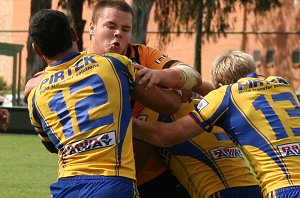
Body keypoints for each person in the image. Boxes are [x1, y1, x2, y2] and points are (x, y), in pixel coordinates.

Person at [27, 9, 198, 198]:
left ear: (36, 49)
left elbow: (52, 146)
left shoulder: (35, 93)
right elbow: (169, 104)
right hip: (113, 182)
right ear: (75, 34)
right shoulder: (115, 64)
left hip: (67, 186)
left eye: (125, 28)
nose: (118, 33)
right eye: (111, 26)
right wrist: (179, 89)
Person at [133, 50, 300, 198]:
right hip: (256, 187)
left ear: (220, 86)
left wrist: (117, 119)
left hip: (281, 187)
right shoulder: (282, 84)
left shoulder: (223, 97)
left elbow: (167, 135)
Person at [136, 99, 263, 198]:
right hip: (254, 186)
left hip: (217, 191)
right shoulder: (208, 103)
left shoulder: (152, 113)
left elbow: (135, 168)